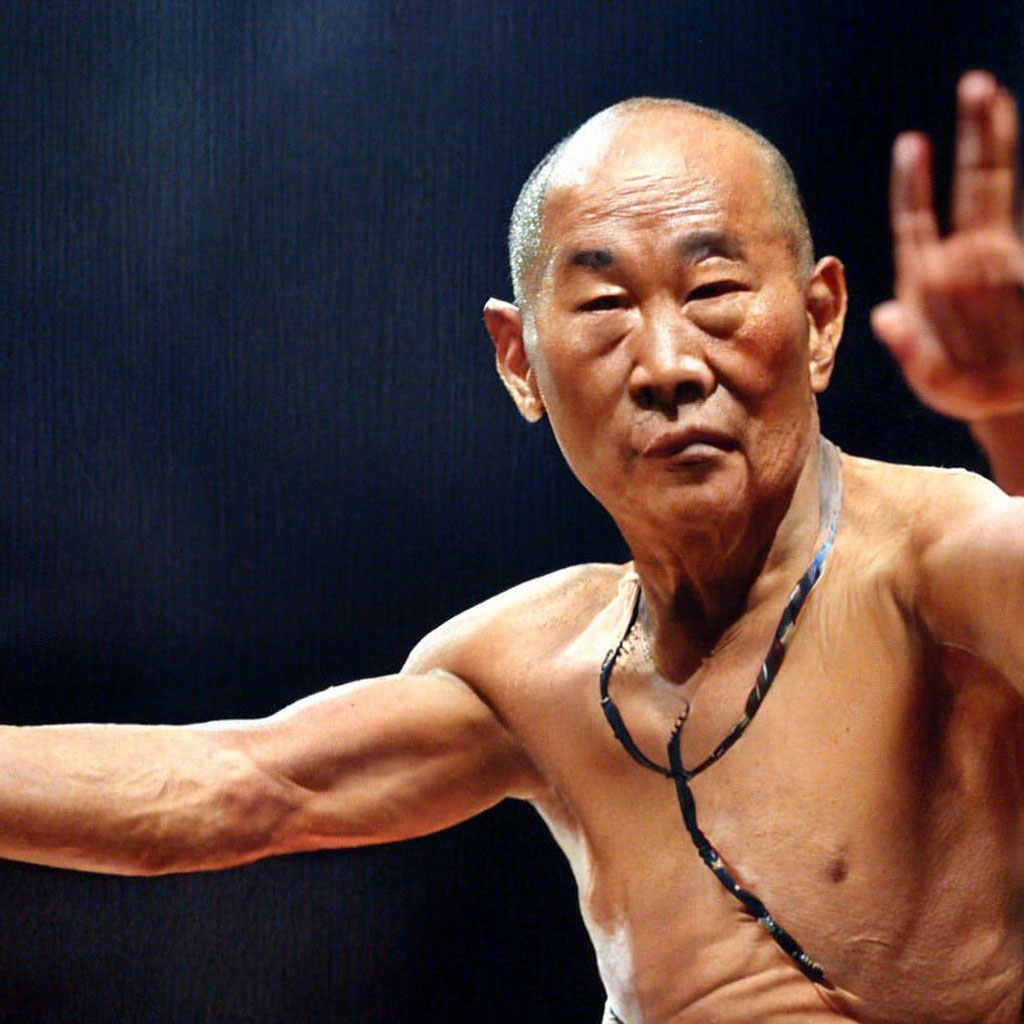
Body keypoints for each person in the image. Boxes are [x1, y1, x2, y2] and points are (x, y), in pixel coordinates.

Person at [4, 69, 1024, 1024]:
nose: (667, 364)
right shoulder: (530, 672)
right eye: (606, 306)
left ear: (819, 318)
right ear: (519, 362)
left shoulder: (935, 557)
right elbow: (234, 786)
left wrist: (1009, 410)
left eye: (713, 291)